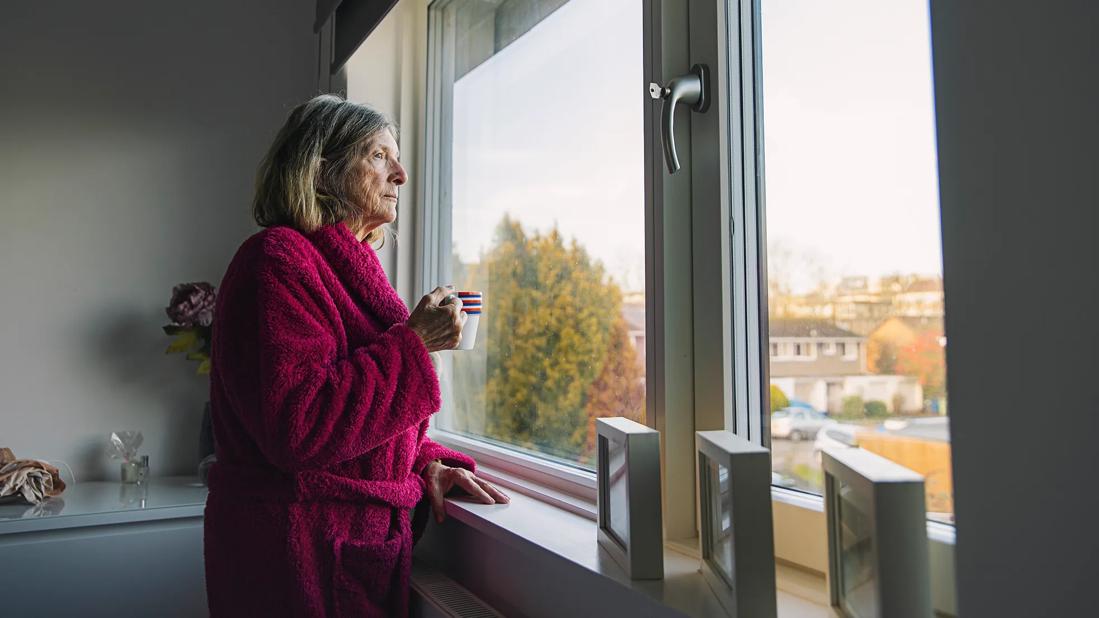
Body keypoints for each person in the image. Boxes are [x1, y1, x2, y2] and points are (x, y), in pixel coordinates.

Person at [203, 94, 508, 617]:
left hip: (349, 547)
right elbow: (299, 427)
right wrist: (415, 344)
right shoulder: (275, 262)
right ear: (321, 172)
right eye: (379, 156)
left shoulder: (350, 268)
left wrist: (426, 460)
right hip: (288, 554)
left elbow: (364, 426)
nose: (402, 174)